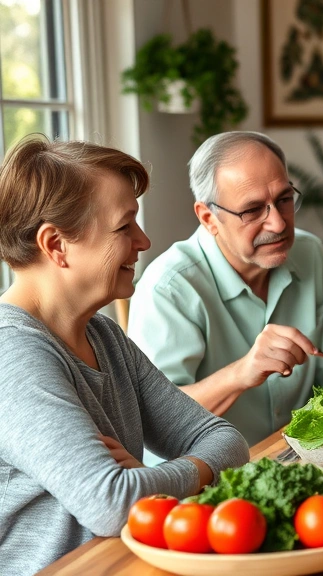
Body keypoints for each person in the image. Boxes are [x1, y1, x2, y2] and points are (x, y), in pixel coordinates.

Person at [0, 135, 249, 575]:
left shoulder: (106, 337)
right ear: (56, 245)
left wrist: (150, 480)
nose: (144, 240)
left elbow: (226, 440)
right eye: (124, 226)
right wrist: (178, 476)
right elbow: (111, 504)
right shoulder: (13, 354)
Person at [128, 132, 323, 446]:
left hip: (301, 461)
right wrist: (242, 372)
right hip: (204, 482)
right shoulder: (169, 287)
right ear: (208, 218)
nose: (279, 224)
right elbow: (156, 425)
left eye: (284, 199)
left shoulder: (310, 253)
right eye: (252, 210)